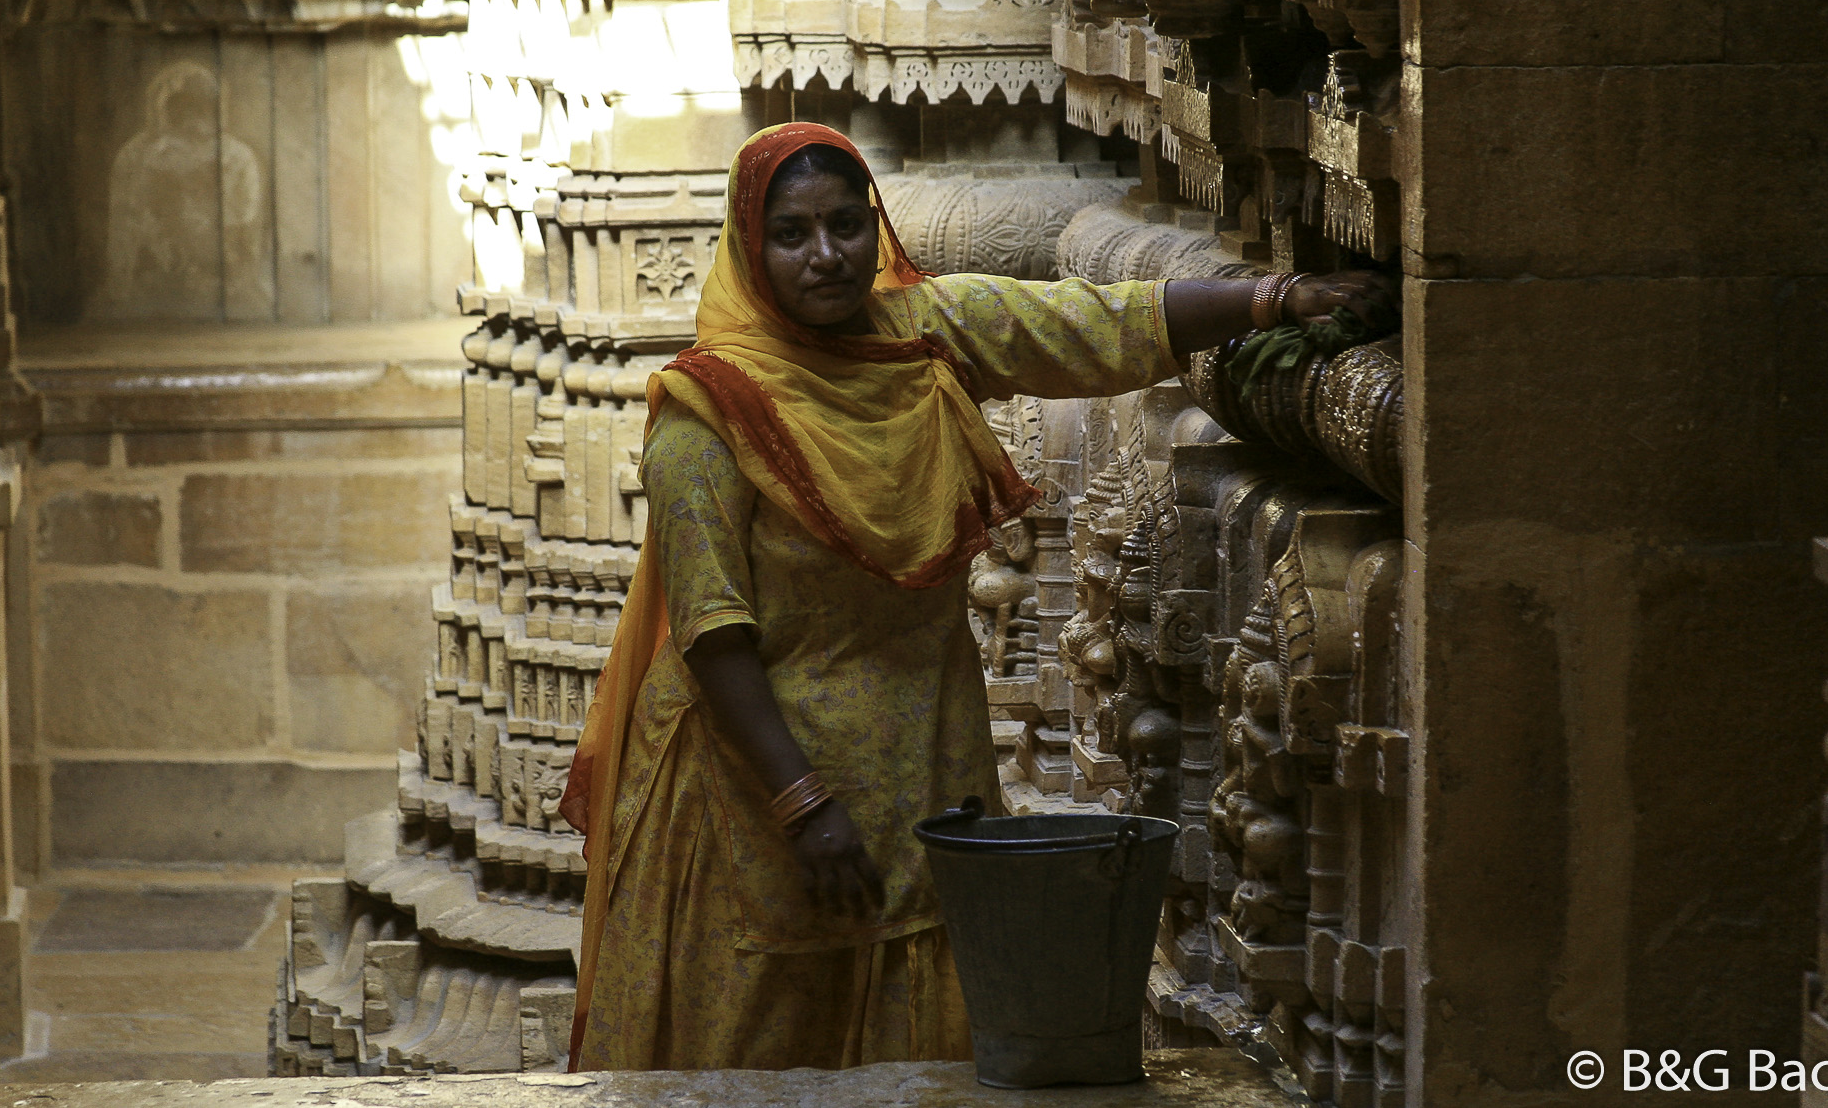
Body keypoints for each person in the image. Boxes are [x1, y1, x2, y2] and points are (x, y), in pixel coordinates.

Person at [561, 122, 1393, 1070]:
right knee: (762, 1035)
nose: (826, 255)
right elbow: (713, 635)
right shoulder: (708, 414)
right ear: (749, 250)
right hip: (758, 783)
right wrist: (802, 803)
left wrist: (1277, 300)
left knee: (925, 1030)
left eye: (845, 223)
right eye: (792, 234)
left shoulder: (927, 333)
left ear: (876, 226)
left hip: (924, 747)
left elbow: (1095, 324)